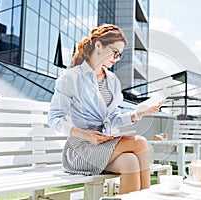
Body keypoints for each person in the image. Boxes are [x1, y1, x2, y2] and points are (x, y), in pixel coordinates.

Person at [47, 24, 163, 194]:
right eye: (115, 52)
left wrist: (141, 112)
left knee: (130, 162)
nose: (116, 58)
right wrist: (87, 135)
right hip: (80, 149)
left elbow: (113, 117)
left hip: (103, 146)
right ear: (99, 45)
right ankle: (148, 197)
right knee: (140, 143)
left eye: (120, 55)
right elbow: (54, 118)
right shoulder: (71, 77)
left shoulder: (112, 81)